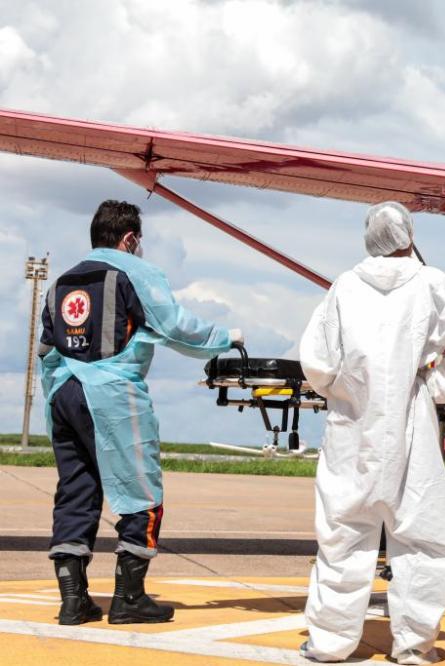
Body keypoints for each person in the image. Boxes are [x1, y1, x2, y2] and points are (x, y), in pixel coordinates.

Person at [298, 201, 445, 665]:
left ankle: (329, 644)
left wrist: (344, 390)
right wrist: (438, 387)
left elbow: (318, 361)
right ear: (409, 237)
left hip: (353, 431)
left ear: (369, 240)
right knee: (424, 541)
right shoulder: (430, 283)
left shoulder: (344, 287)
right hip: (413, 427)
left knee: (343, 536)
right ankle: (414, 645)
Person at [39, 200, 242, 625]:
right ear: (129, 239)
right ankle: (129, 599)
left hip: (63, 394)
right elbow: (173, 325)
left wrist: (60, 394)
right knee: (142, 492)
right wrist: (225, 337)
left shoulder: (62, 281)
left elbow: (45, 349)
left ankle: (73, 601)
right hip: (113, 392)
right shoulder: (133, 271)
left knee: (75, 491)